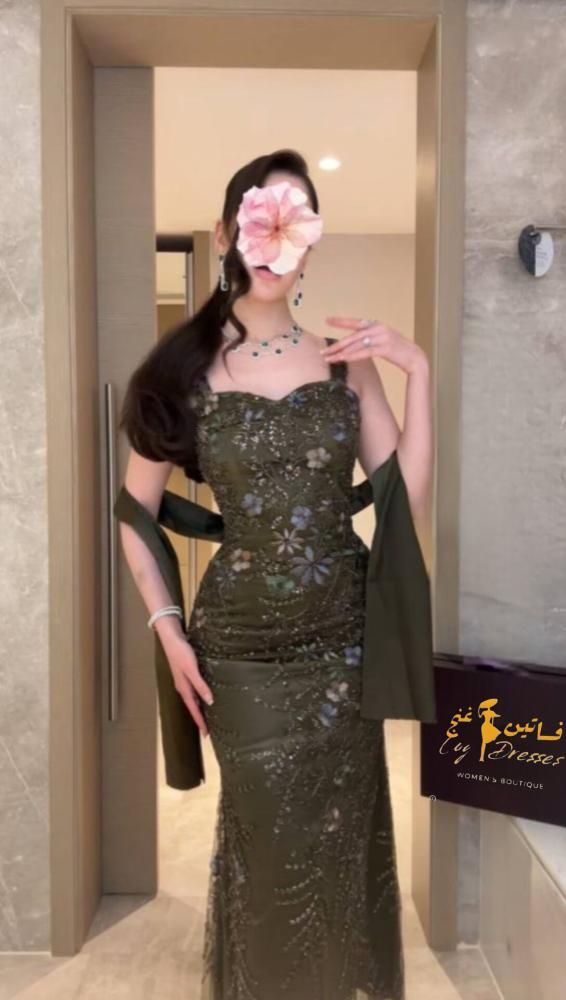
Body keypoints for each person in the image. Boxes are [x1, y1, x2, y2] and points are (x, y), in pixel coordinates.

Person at [118, 148, 432, 1000]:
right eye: (261, 218)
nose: (274, 239)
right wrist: (168, 631)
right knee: (266, 838)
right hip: (241, 650)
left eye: (294, 222)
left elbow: (402, 499)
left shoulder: (345, 359)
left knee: (337, 838)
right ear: (227, 233)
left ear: (310, 243)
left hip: (345, 646)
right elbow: (134, 515)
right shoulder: (181, 372)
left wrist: (418, 371)